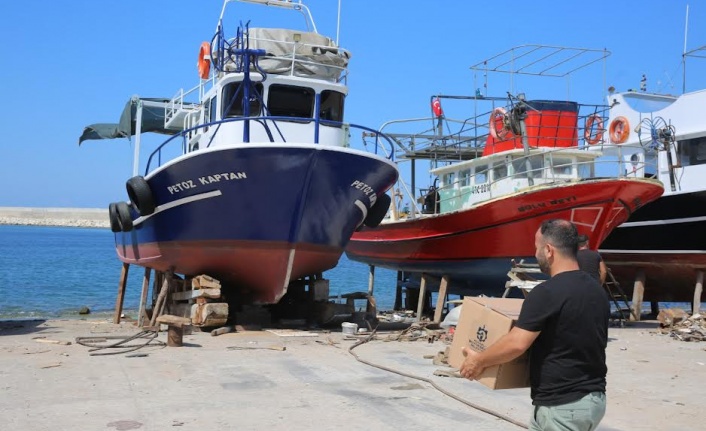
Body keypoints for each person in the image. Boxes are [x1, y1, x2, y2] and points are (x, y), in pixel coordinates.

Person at [460, 219, 609, 431]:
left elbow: (517, 343)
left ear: (549, 250)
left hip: (562, 405)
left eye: (536, 247)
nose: (535, 253)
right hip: (592, 399)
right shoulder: (596, 291)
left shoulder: (546, 293)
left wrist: (478, 361)